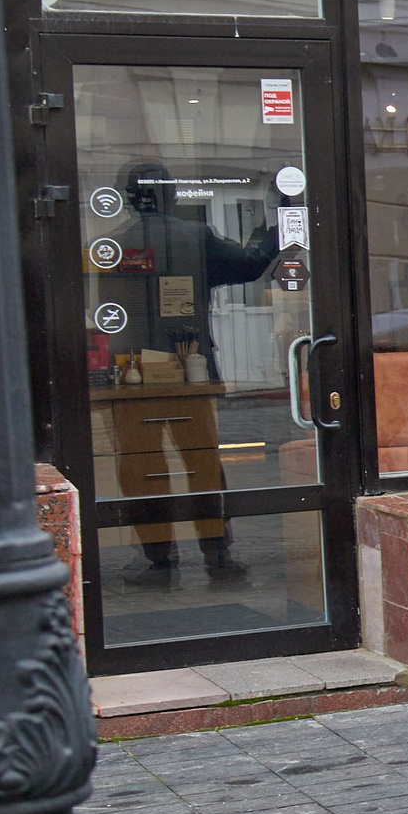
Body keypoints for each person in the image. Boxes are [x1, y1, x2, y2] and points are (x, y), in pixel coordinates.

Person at [102, 160, 280, 587]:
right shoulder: (194, 237)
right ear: (173, 195)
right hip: (190, 372)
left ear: (124, 197)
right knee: (202, 466)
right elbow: (250, 264)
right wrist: (277, 218)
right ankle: (218, 556)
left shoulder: (107, 243)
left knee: (141, 468)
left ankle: (158, 561)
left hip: (132, 375)